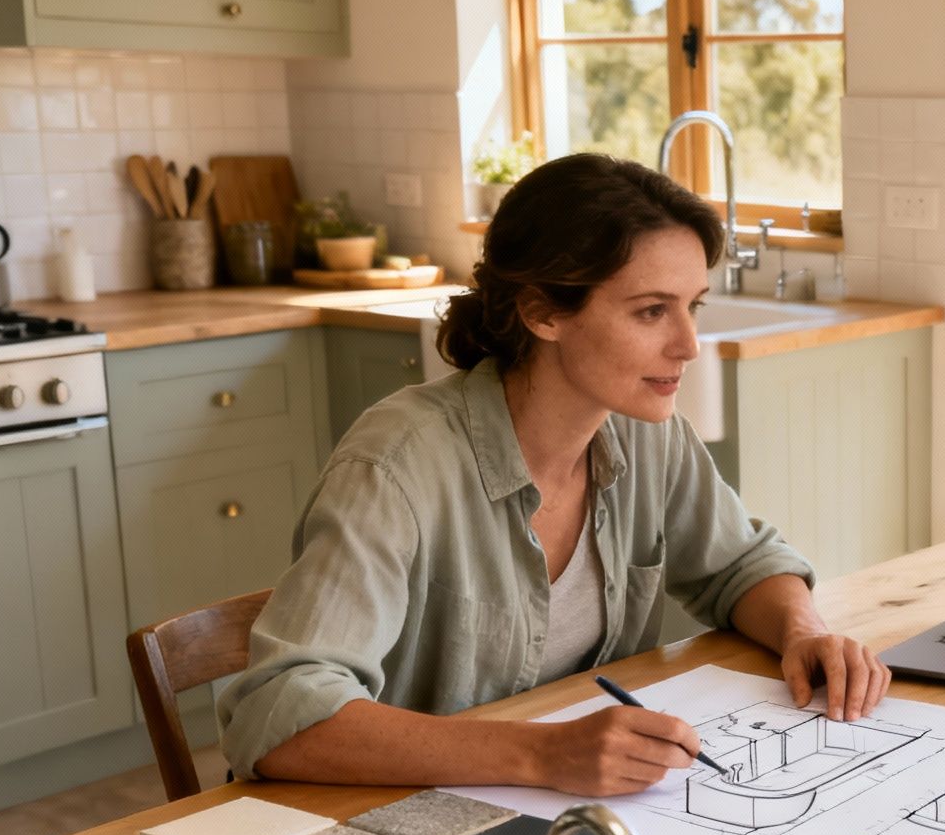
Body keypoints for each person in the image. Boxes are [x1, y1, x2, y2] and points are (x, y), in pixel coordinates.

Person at [219, 153, 890, 797]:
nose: (687, 344)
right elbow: (280, 714)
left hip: (558, 812)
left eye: (694, 307)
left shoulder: (644, 433)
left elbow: (739, 564)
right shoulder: (395, 466)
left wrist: (803, 631)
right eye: (651, 310)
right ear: (542, 312)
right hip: (387, 821)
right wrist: (545, 753)